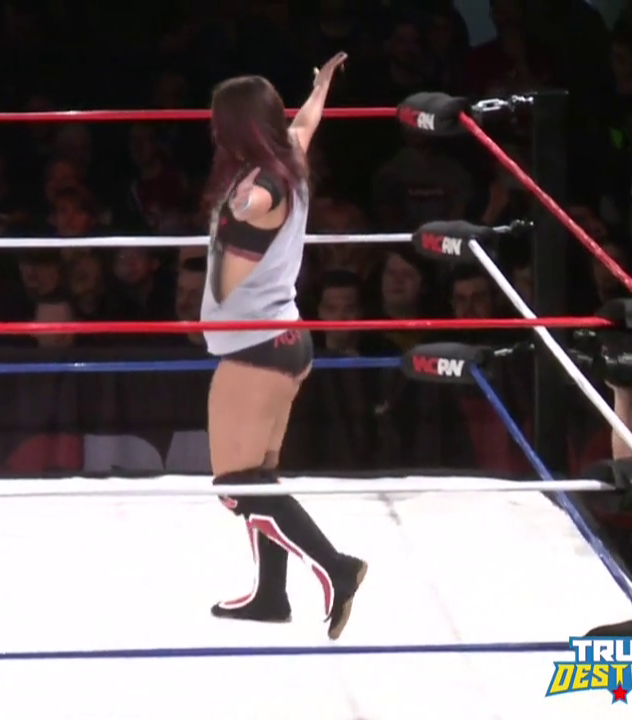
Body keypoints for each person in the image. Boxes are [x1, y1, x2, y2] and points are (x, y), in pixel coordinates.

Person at [202, 55, 366, 640]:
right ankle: (271, 595)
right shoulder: (288, 154)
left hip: (256, 349)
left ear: (235, 127)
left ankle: (337, 567)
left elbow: (261, 204)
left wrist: (242, 209)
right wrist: (320, 87)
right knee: (259, 475)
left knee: (236, 485)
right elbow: (305, 125)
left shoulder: (265, 183)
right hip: (284, 341)